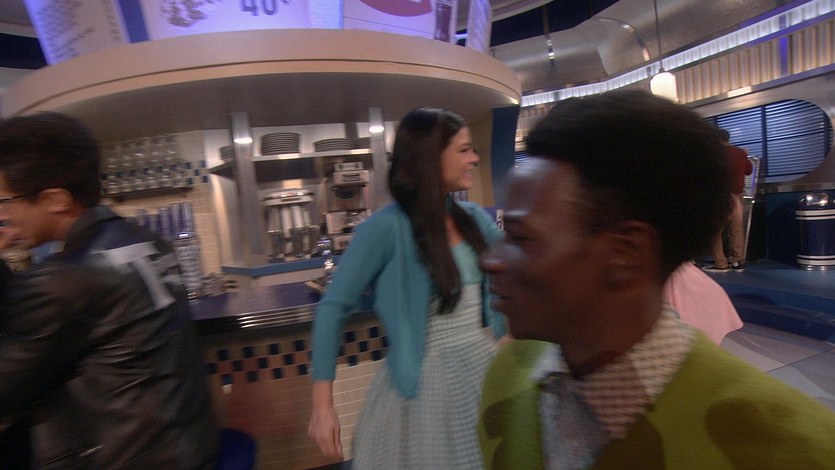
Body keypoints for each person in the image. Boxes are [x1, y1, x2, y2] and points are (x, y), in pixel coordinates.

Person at [477, 90, 835, 469]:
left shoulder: (793, 452)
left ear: (624, 253)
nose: (490, 261)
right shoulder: (509, 375)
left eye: (520, 237)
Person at [0, 112, 218, 468]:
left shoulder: (60, 278)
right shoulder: (152, 241)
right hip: (189, 447)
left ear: (56, 199)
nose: (4, 215)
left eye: (7, 201)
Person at [308, 107, 506, 468]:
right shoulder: (386, 229)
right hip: (425, 385)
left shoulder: (475, 219)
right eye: (464, 150)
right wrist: (322, 405)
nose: (474, 159)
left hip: (482, 366)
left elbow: (515, 267)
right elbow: (333, 307)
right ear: (431, 157)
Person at [703, 128, 753, 272]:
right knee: (736, 230)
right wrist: (745, 157)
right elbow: (749, 171)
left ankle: (721, 263)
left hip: (720, 195)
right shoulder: (740, 152)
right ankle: (737, 262)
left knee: (715, 230)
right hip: (737, 195)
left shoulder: (714, 154)